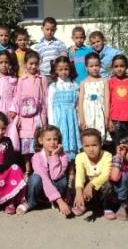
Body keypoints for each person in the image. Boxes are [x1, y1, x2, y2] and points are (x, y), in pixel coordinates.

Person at [9, 50, 48, 178]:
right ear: (25, 64)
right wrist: (13, 110)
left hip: (38, 117)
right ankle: (27, 169)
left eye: (36, 64)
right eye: (30, 64)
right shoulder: (21, 80)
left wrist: (46, 117)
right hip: (25, 118)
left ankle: (39, 168)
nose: (33, 66)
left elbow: (46, 97)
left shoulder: (42, 79)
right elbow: (17, 96)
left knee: (38, 143)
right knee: (26, 145)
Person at [17, 125, 70, 216]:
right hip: (42, 191)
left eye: (55, 139)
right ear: (41, 141)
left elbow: (55, 176)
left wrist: (54, 155)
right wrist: (60, 200)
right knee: (35, 179)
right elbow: (44, 179)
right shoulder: (36, 157)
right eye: (48, 139)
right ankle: (31, 203)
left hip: (54, 190)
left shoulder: (63, 156)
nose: (52, 142)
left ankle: (53, 202)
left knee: (62, 180)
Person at [47, 56, 80, 184]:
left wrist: (78, 121)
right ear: (56, 70)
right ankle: (60, 173)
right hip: (59, 121)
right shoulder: (53, 87)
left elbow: (77, 106)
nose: (64, 72)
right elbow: (50, 105)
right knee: (60, 148)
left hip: (72, 121)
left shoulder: (74, 85)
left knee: (72, 147)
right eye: (60, 69)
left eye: (66, 69)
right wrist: (52, 125)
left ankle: (72, 174)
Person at [73, 128, 114, 219]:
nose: (91, 149)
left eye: (94, 145)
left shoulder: (107, 155)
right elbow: (80, 176)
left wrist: (91, 184)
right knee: (76, 182)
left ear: (101, 144)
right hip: (86, 189)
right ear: (82, 146)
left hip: (99, 189)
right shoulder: (80, 157)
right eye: (86, 146)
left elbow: (106, 175)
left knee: (108, 184)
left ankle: (107, 207)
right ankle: (81, 203)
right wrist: (79, 191)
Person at [78, 53, 110, 142]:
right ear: (86, 67)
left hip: (101, 114)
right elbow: (80, 103)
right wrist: (82, 120)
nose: (94, 68)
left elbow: (107, 100)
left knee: (100, 138)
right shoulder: (83, 82)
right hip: (88, 115)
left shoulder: (104, 81)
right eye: (91, 66)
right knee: (89, 138)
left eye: (97, 65)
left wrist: (107, 117)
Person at [33, 17, 67, 82]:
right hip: (42, 75)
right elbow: (36, 60)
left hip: (56, 75)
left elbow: (64, 56)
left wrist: (58, 60)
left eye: (52, 30)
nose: (49, 32)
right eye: (47, 29)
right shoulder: (38, 46)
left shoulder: (59, 43)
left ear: (55, 30)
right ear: (42, 29)